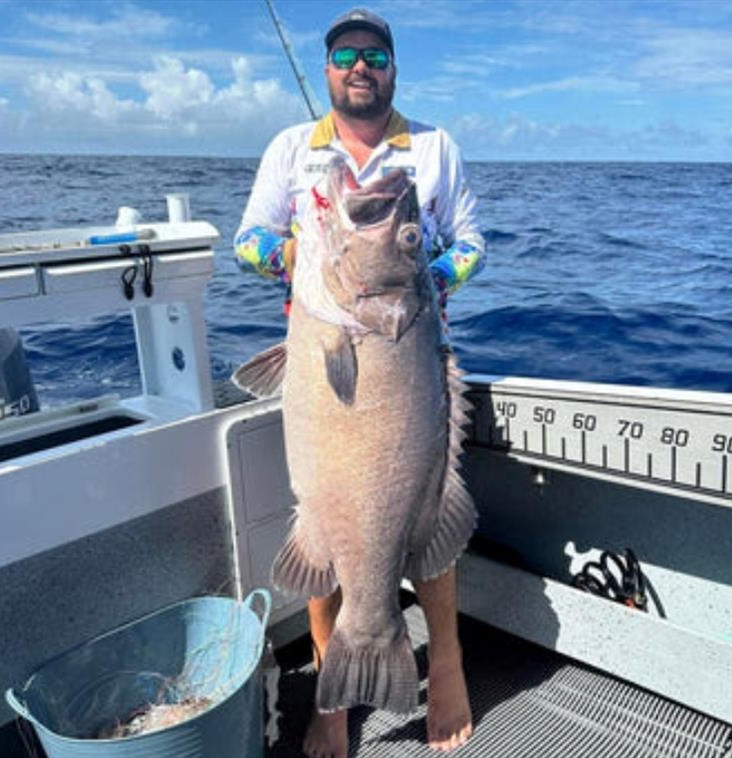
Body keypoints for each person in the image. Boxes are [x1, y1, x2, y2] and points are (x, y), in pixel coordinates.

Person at [235, 8, 485, 756]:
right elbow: (249, 239)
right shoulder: (291, 149)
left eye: (375, 54)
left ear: (393, 69)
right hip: (322, 353)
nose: (361, 65)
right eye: (346, 54)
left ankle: (444, 667)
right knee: (321, 520)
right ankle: (332, 691)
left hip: (409, 362)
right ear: (328, 70)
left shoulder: (435, 149)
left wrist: (429, 266)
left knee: (426, 516)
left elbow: (471, 243)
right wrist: (295, 257)